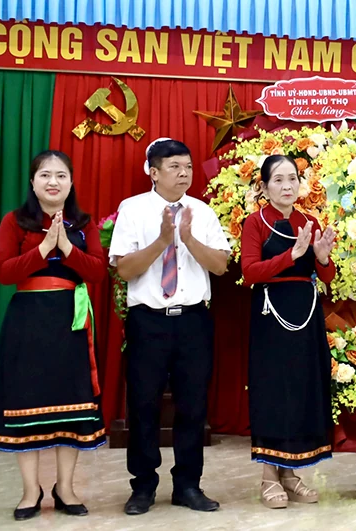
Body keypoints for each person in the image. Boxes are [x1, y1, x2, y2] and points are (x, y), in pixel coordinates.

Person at [109, 139, 231, 515]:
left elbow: (220, 266)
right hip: (149, 322)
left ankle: (188, 486)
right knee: (143, 405)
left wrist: (188, 238)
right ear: (154, 171)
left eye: (189, 167)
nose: (184, 174)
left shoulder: (202, 211)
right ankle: (143, 486)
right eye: (175, 166)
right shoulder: (133, 209)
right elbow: (124, 269)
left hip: (193, 321)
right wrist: (163, 240)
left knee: (193, 407)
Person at [0, 151, 106, 520]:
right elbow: (4, 273)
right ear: (32, 182)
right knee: (26, 402)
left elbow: (99, 273)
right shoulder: (14, 222)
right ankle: (30, 491)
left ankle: (65, 488)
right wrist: (43, 249)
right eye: (45, 175)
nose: (53, 182)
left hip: (71, 322)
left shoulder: (83, 224)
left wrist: (68, 248)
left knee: (70, 405)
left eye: (61, 176)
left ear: (71, 183)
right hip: (28, 322)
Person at [240, 155, 338, 509]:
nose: (287, 186)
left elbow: (326, 277)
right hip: (271, 315)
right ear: (264, 188)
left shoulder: (309, 220)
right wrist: (291, 255)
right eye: (278, 180)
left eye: (292, 179)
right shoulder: (255, 223)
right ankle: (269, 476)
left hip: (305, 313)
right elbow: (249, 272)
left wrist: (323, 258)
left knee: (302, 388)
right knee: (273, 390)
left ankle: (293, 473)